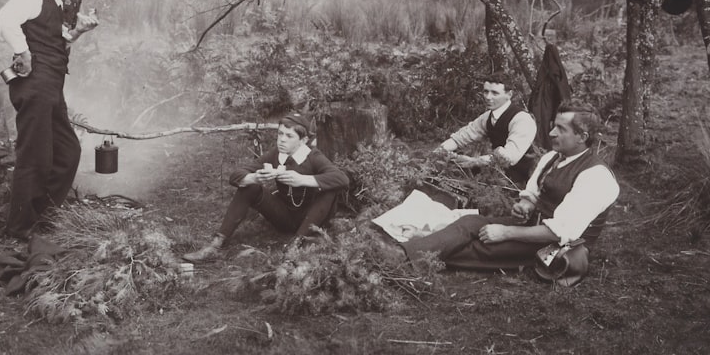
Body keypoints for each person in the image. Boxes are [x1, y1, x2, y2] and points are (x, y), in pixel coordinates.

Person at [390, 102, 618, 272]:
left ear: (582, 137)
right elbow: (533, 193)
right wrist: (526, 204)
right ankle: (420, 247)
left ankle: (403, 258)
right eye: (553, 126)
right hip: (534, 225)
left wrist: (505, 232)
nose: (551, 133)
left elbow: (559, 232)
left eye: (561, 129)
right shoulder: (552, 157)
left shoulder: (595, 177)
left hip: (557, 247)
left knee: (480, 249)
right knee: (470, 223)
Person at [0, 0, 99, 240]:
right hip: (35, 85)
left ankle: (39, 216)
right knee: (35, 157)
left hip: (51, 87)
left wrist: (78, 31)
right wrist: (22, 52)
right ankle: (19, 229)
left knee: (67, 152)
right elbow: (4, 20)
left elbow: (55, 44)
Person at [182, 113, 350, 262]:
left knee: (330, 190)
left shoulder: (313, 156)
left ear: (303, 140)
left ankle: (296, 246)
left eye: (289, 136)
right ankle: (216, 245)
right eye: (280, 134)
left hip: (311, 219)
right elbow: (235, 175)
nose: (282, 139)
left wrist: (303, 179)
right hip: (285, 217)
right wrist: (254, 177)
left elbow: (342, 179)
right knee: (249, 186)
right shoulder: (277, 153)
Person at [435, 73, 539, 186]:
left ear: (509, 94)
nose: (488, 97)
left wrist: (474, 161)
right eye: (486, 91)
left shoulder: (522, 120)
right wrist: (437, 154)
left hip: (518, 181)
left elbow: (509, 158)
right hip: (493, 173)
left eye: (495, 93)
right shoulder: (488, 117)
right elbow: (461, 137)